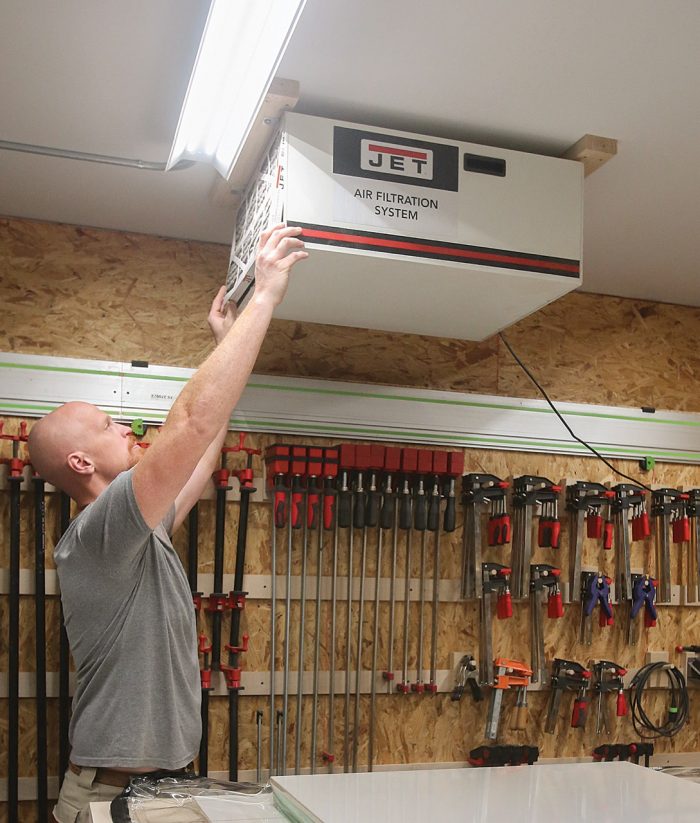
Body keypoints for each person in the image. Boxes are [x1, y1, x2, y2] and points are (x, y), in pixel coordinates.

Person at [28, 225, 307, 823]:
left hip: (158, 791)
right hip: (111, 797)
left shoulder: (140, 532)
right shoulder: (97, 536)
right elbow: (190, 426)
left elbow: (202, 460)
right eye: (107, 426)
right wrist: (265, 299)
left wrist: (224, 340)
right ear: (80, 463)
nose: (124, 427)